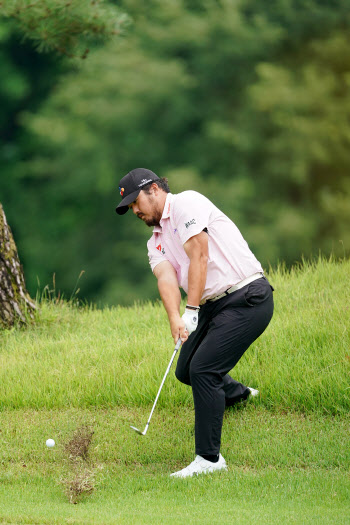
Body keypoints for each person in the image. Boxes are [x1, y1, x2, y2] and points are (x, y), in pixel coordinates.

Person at [116, 168, 274, 478]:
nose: (135, 210)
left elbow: (199, 255)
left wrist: (191, 308)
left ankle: (209, 460)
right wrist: (176, 318)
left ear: (154, 190)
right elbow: (166, 279)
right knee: (186, 370)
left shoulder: (187, 203)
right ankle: (238, 394)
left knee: (204, 369)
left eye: (136, 202)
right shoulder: (155, 242)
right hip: (212, 306)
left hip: (246, 297)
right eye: (130, 208)